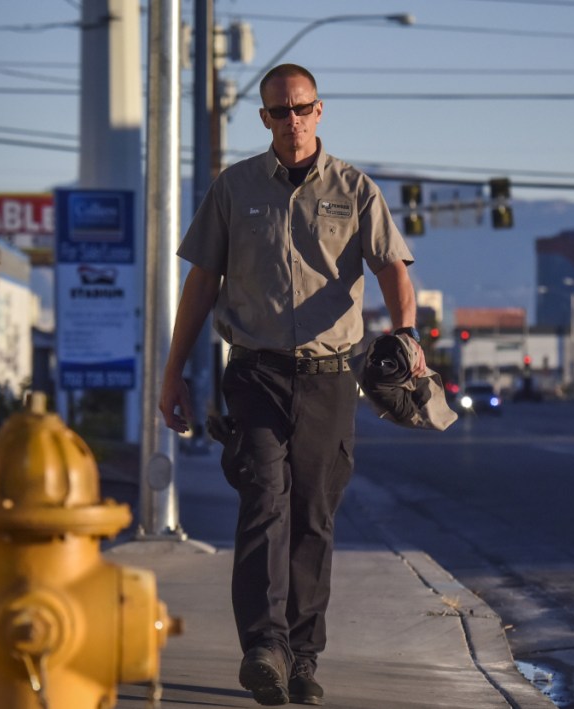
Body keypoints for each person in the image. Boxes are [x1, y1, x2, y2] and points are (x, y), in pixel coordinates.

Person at [158, 63, 425, 706]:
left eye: (302, 108)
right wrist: (172, 371)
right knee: (262, 504)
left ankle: (304, 656)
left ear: (320, 110)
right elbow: (200, 285)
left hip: (331, 378)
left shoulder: (355, 189)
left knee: (312, 515)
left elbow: (393, 268)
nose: (293, 120)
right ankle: (264, 649)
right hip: (255, 372)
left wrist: (408, 336)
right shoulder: (234, 188)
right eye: (280, 111)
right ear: (264, 118)